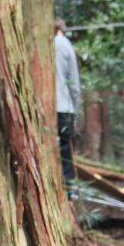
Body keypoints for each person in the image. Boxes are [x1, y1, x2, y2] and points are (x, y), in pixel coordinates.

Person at [55, 18, 82, 185]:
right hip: (64, 107)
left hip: (44, 109)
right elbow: (74, 81)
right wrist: (76, 108)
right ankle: (68, 190)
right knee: (66, 152)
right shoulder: (65, 44)